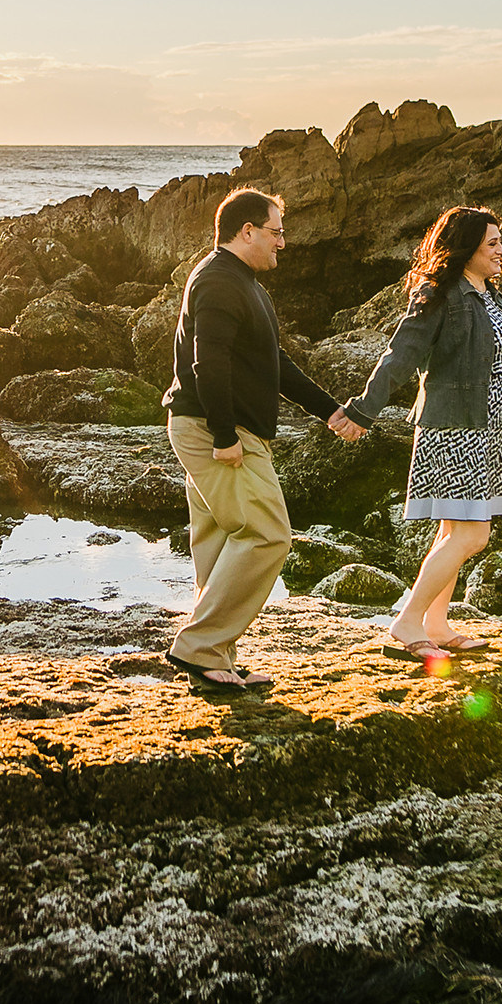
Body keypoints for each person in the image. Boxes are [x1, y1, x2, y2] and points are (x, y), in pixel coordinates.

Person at [163, 187, 367, 689]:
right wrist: (224, 434)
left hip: (215, 427)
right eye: (276, 232)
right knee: (268, 534)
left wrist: (330, 411)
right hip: (216, 431)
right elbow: (206, 364)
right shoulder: (216, 281)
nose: (284, 242)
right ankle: (199, 646)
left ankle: (215, 660)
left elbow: (276, 367)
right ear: (247, 230)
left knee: (220, 538)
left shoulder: (245, 283)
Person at [341, 205, 502, 656]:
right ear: (466, 250)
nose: (501, 250)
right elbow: (399, 356)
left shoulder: (490, 296)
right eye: (492, 244)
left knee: (453, 532)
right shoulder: (440, 295)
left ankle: (437, 625)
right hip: (455, 428)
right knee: (471, 535)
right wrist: (363, 411)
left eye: (500, 242)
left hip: (494, 429)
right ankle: (407, 622)